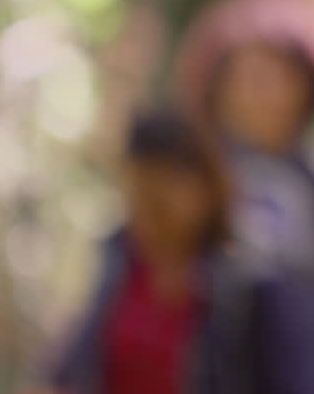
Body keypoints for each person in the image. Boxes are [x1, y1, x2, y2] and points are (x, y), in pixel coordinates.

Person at [173, 0, 314, 394]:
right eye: (250, 79)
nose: (268, 96)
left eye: (283, 79)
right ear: (218, 89)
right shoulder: (187, 185)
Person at [43, 107, 256, 394]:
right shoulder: (117, 262)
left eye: (161, 201)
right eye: (138, 197)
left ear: (207, 191)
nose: (150, 216)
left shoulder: (241, 287)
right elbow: (69, 369)